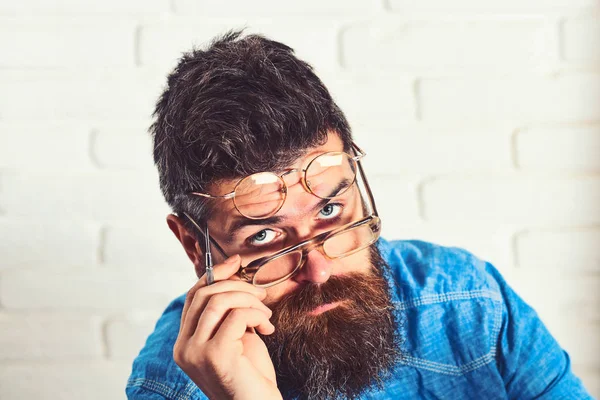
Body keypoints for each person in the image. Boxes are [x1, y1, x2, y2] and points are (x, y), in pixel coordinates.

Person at [126, 31, 592, 400]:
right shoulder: (172, 387)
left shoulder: (467, 302)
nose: (319, 269)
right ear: (195, 245)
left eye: (330, 210)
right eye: (266, 236)